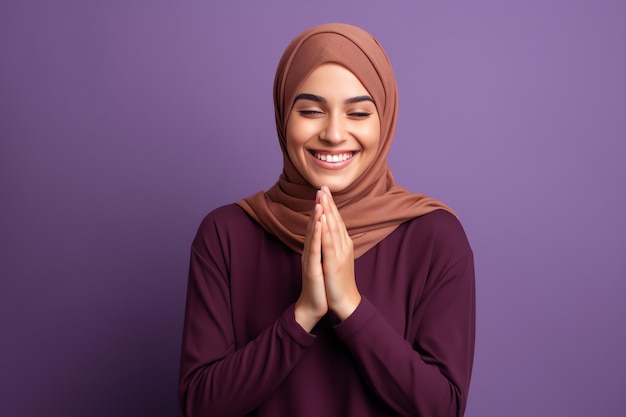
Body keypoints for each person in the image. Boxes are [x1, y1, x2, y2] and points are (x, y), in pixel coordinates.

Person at [178, 23, 475, 417]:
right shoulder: (226, 235)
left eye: (358, 112)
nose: (334, 133)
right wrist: (302, 316)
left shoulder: (435, 237)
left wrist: (350, 306)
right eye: (311, 111)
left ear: (383, 119)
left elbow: (442, 409)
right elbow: (201, 406)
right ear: (285, 115)